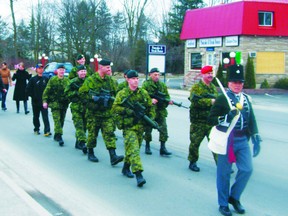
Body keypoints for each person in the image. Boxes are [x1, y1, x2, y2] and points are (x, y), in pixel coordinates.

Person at [208, 64, 261, 216]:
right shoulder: (222, 99)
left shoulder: (245, 98)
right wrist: (225, 118)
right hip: (227, 140)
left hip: (243, 139)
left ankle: (234, 197)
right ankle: (223, 203)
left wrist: (256, 136)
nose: (237, 85)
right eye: (234, 82)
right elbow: (210, 120)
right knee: (224, 173)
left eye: (240, 82)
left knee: (247, 169)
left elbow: (252, 118)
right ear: (229, 83)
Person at [112, 70, 155, 187]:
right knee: (135, 150)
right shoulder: (122, 93)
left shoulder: (143, 93)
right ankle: (139, 174)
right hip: (129, 127)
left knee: (131, 149)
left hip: (140, 126)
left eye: (137, 79)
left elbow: (150, 107)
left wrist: (150, 119)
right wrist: (128, 111)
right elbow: (115, 108)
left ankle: (125, 168)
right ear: (128, 80)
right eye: (133, 79)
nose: (136, 81)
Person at [79, 59, 124, 166]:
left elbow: (116, 94)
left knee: (109, 133)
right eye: (107, 67)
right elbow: (82, 94)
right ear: (101, 67)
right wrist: (95, 98)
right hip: (93, 113)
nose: (109, 69)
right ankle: (90, 152)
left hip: (107, 113)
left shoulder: (110, 81)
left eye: (110, 67)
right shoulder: (91, 80)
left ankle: (113, 156)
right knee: (92, 134)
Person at [187, 65, 218, 172]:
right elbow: (194, 101)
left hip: (210, 121)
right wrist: (210, 102)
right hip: (198, 121)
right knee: (195, 143)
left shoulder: (213, 87)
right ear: (203, 74)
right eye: (208, 73)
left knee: (215, 143)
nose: (210, 75)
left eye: (211, 73)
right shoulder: (196, 87)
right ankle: (192, 162)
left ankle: (221, 165)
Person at [142, 67, 172, 156]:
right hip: (151, 111)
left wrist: (168, 101)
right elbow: (143, 97)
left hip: (160, 111)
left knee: (163, 129)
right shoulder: (146, 85)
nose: (157, 76)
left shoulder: (162, 85)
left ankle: (163, 148)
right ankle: (147, 146)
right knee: (148, 129)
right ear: (150, 75)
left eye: (159, 75)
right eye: (155, 74)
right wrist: (150, 100)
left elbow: (167, 96)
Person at [42, 64, 70, 146]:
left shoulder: (67, 80)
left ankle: (57, 134)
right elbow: (46, 91)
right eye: (60, 69)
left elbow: (70, 92)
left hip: (64, 104)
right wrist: (45, 101)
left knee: (61, 120)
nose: (62, 71)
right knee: (57, 120)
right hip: (55, 104)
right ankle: (60, 136)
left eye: (63, 70)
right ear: (57, 71)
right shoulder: (53, 80)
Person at [64, 65, 88, 153]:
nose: (83, 73)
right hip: (76, 108)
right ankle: (83, 143)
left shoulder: (89, 81)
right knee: (79, 126)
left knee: (84, 126)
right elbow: (66, 93)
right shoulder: (73, 82)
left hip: (86, 108)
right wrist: (76, 92)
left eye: (84, 71)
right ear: (77, 72)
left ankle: (78, 143)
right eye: (81, 71)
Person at [26, 64, 51, 136]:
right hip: (35, 102)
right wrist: (33, 96)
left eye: (42, 68)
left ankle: (47, 130)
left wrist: (47, 99)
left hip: (44, 102)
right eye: (39, 68)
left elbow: (49, 89)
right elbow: (27, 90)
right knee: (36, 116)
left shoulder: (46, 79)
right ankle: (36, 129)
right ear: (36, 70)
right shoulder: (33, 79)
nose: (41, 69)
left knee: (45, 117)